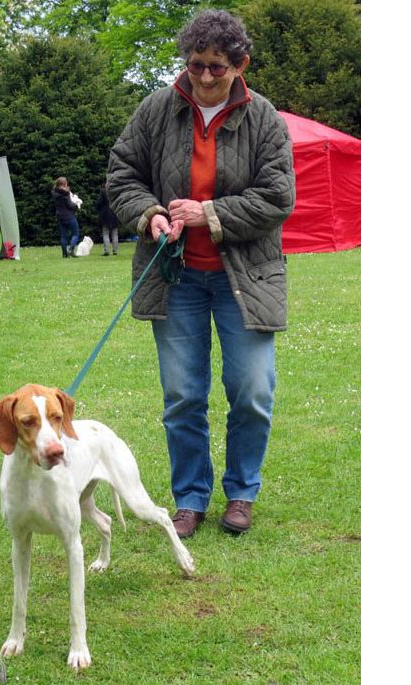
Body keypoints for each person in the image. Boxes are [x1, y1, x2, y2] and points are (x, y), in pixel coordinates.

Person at [106, 9, 295, 538]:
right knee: (183, 395)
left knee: (251, 390)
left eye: (217, 67)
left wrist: (209, 214)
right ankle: (189, 497)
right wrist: (151, 214)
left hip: (247, 278)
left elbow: (278, 197)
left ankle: (241, 493)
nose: (205, 77)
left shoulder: (265, 120)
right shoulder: (155, 110)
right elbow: (122, 176)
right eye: (195, 65)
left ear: (240, 65)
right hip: (176, 277)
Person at [52, 177, 82, 258]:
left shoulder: (55, 192)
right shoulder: (65, 194)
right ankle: (71, 250)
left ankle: (64, 253)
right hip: (69, 215)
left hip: (60, 215)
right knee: (76, 233)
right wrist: (76, 204)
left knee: (63, 235)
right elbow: (70, 205)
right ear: (64, 184)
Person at [95, 183, 120, 256]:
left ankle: (106, 250)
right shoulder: (116, 192)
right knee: (115, 233)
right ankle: (115, 250)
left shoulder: (103, 192)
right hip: (114, 213)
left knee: (105, 233)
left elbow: (98, 203)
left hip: (105, 215)